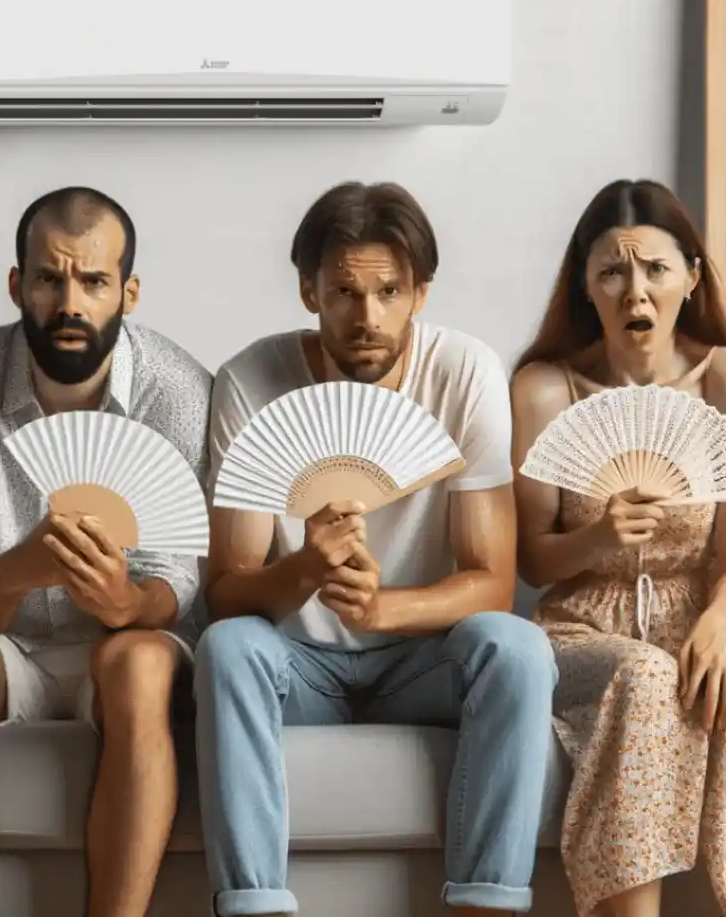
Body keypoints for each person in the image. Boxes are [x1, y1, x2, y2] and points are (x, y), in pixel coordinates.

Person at [195, 180, 558, 917]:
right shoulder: (251, 380)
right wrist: (304, 568)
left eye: (389, 292)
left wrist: (382, 607)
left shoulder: (464, 374)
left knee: (516, 647)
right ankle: (256, 907)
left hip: (420, 659)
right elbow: (226, 593)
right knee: (229, 648)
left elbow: (490, 584)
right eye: (344, 293)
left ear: (420, 293)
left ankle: (484, 906)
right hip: (300, 669)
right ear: (308, 291)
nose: (367, 317)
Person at [0, 186, 212, 917]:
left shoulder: (179, 391)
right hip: (0, 647)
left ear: (128, 293)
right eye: (49, 278)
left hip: (123, 643)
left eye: (94, 281)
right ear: (18, 285)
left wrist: (127, 602)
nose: (70, 301)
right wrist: (25, 565)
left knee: (136, 660)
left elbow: (178, 581)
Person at [511, 179, 726, 917]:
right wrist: (599, 535)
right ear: (586, 285)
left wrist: (721, 616)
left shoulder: (722, 380)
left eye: (655, 270)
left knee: (698, 674)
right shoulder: (545, 389)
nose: (635, 290)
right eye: (612, 271)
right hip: (582, 630)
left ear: (692, 278)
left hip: (701, 613)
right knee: (643, 676)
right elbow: (534, 561)